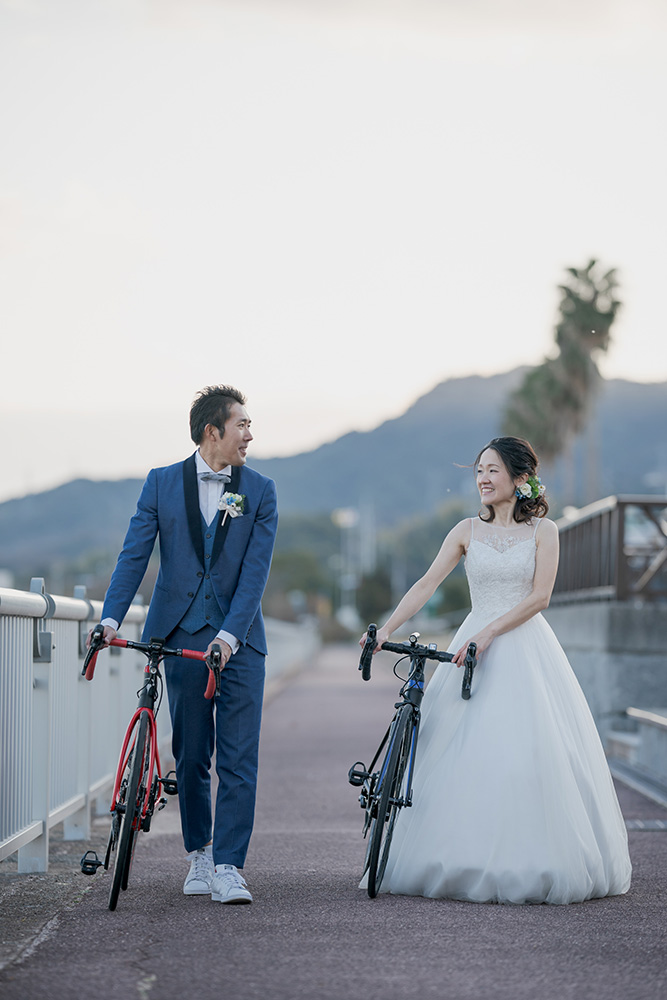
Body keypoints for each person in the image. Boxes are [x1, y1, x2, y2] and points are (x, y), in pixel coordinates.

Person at [360, 436, 631, 904]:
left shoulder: (545, 532)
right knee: (453, 753)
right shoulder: (465, 530)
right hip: (470, 645)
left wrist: (488, 634)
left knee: (523, 755)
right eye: (478, 471)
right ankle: (453, 855)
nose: (483, 479)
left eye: (492, 470)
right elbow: (426, 583)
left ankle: (527, 860)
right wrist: (385, 630)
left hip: (522, 647)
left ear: (520, 478)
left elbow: (539, 598)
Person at [91, 385, 278, 905]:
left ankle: (229, 866)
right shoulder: (160, 483)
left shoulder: (261, 490)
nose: (250, 433)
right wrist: (109, 618)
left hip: (239, 640)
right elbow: (134, 557)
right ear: (211, 431)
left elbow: (254, 575)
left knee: (240, 758)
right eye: (241, 424)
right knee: (192, 753)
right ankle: (199, 851)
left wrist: (229, 636)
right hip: (179, 634)